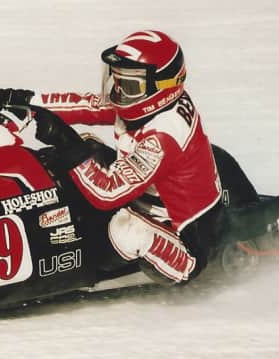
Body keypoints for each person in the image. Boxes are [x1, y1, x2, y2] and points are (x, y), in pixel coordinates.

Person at [29, 30, 222, 285]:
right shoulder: (153, 105)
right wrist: (26, 101)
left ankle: (160, 264)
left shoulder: (163, 135)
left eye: (129, 85)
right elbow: (90, 106)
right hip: (145, 201)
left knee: (127, 230)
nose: (118, 90)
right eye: (116, 79)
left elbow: (106, 194)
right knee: (88, 146)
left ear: (161, 87)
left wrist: (66, 141)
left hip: (186, 237)